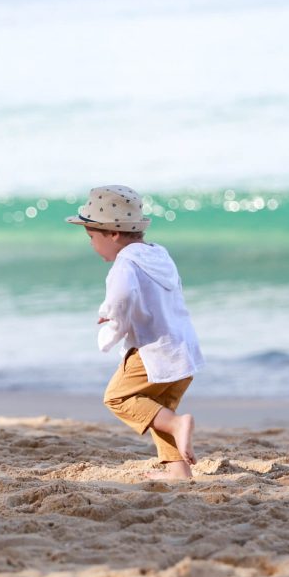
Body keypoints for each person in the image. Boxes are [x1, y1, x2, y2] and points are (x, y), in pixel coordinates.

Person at [66, 185, 205, 479]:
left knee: (117, 397)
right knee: (159, 409)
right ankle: (178, 471)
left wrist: (109, 319)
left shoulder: (125, 263)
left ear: (113, 234)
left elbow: (121, 299)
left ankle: (179, 426)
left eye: (92, 237)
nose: (91, 245)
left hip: (152, 351)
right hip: (183, 348)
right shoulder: (159, 254)